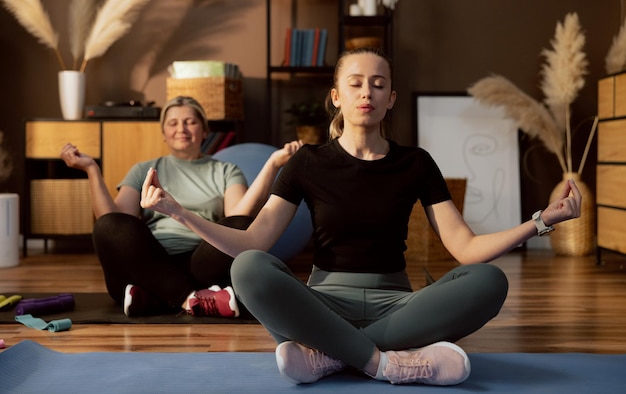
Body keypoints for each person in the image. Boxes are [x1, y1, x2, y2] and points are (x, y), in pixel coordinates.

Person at [139, 49, 582, 386]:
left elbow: (465, 248)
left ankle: (329, 354)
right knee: (248, 267)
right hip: (321, 302)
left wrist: (543, 219)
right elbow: (253, 243)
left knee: (490, 281)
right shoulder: (307, 163)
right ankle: (385, 363)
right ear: (337, 97)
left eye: (377, 84)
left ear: (390, 98)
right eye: (355, 83)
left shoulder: (416, 163)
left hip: (398, 303)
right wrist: (177, 211)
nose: (366, 91)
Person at [60, 96, 302, 317]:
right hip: (147, 262)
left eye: (190, 122)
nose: (181, 129)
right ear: (163, 133)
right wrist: (92, 169)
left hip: (201, 265)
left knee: (240, 226)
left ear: (205, 130)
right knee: (108, 226)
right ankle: (192, 299)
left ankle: (157, 297)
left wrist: (273, 164)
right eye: (173, 123)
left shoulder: (225, 170)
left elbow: (238, 216)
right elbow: (115, 223)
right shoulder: (143, 169)